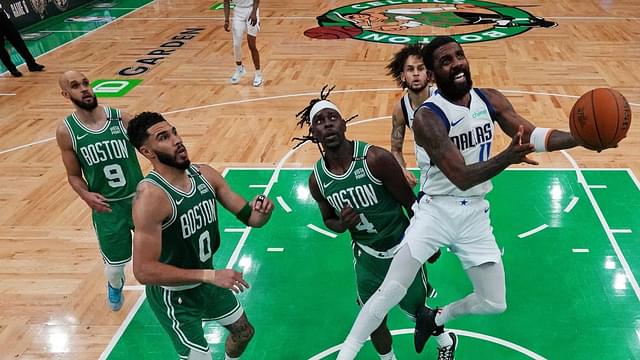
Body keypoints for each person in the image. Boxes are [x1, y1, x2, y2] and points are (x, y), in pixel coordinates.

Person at [336, 36, 600, 360]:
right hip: (436, 210)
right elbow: (461, 177)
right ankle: (347, 353)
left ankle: (436, 317)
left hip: (475, 213)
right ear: (433, 74)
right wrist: (507, 157)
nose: (457, 63)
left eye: (459, 56)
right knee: (391, 288)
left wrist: (582, 138)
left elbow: (531, 135)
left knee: (494, 302)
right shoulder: (427, 117)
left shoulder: (489, 99)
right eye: (446, 61)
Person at [298, 86, 440, 360]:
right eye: (319, 121)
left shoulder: (376, 159)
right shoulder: (317, 180)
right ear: (313, 133)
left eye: (332, 118)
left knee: (417, 313)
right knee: (373, 318)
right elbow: (329, 220)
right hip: (367, 258)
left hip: (402, 250)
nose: (327, 125)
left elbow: (411, 204)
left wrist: (429, 241)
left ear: (343, 123)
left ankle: (446, 340)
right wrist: (341, 223)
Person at [128, 112, 274, 360]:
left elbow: (252, 219)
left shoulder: (205, 175)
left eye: (174, 132)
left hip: (206, 282)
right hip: (173, 296)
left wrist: (263, 211)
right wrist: (211, 275)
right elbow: (143, 271)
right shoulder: (151, 197)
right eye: (164, 137)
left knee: (244, 332)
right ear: (147, 152)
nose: (177, 140)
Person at [55, 71, 142, 311]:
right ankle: (115, 286)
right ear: (66, 94)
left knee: (164, 250)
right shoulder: (67, 132)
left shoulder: (121, 119)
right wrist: (85, 194)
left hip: (140, 200)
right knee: (114, 268)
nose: (84, 89)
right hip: (107, 207)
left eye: (86, 83)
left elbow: (152, 147)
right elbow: (73, 175)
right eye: (75, 86)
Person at [387, 44, 437, 189]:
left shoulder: (443, 99)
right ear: (402, 76)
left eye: (420, 68)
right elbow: (395, 149)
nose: (416, 73)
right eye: (410, 69)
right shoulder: (401, 109)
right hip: (428, 178)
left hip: (454, 171)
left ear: (428, 73)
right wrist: (401, 170)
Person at [223, 0, 262, 87]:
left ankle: (258, 74)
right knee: (236, 44)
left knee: (251, 44)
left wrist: (254, 13)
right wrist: (226, 20)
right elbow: (226, 2)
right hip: (238, 12)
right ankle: (239, 69)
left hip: (251, 10)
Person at [0, 6, 45, 77]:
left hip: (2, 16)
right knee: (1, 49)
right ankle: (12, 69)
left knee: (18, 41)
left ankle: (32, 64)